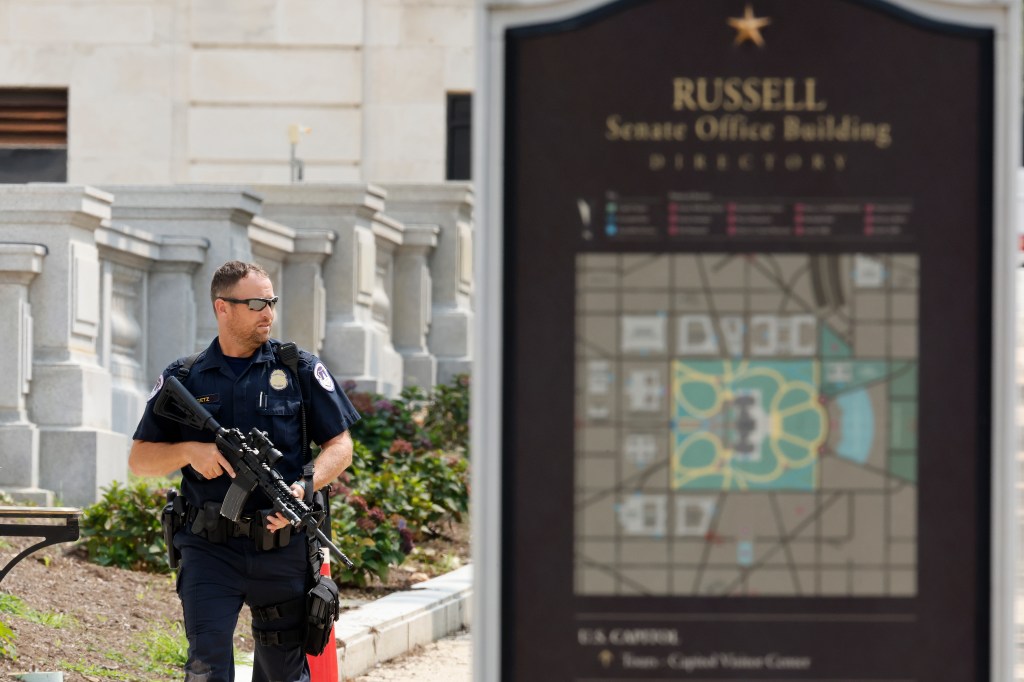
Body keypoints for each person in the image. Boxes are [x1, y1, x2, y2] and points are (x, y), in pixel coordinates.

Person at [129, 260, 360, 682]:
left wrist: (304, 485)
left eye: (271, 301)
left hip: (281, 548)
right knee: (206, 667)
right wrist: (188, 451)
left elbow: (340, 446)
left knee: (282, 673)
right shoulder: (186, 376)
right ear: (223, 307)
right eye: (255, 303)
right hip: (209, 549)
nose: (267, 313)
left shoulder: (298, 369)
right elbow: (140, 459)